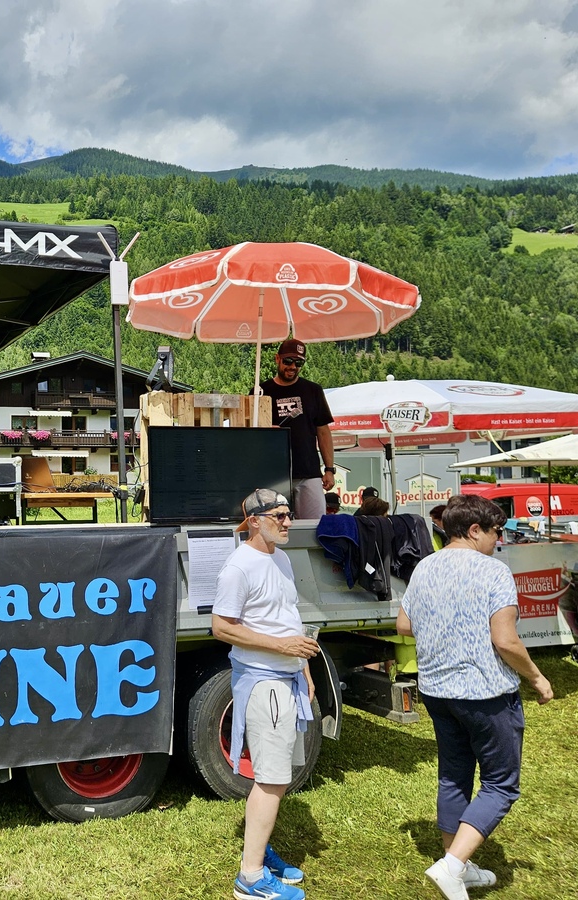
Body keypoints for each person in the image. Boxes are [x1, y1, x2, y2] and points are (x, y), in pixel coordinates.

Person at [396, 494, 554, 900]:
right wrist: (537, 677)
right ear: (474, 530)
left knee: (454, 775)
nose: (498, 540)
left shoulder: (424, 566)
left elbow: (404, 625)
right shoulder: (494, 571)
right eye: (496, 531)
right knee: (501, 784)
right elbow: (506, 640)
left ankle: (459, 865)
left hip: (436, 690)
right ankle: (451, 867)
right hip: (485, 693)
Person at [213, 489, 319, 900]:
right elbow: (221, 627)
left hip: (286, 676)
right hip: (263, 680)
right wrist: (283, 648)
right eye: (279, 515)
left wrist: (302, 666)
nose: (288, 521)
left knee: (277, 775)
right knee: (272, 780)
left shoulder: (281, 558)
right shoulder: (238, 567)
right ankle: (251, 877)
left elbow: (285, 617)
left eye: (289, 514)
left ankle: (258, 850)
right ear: (254, 521)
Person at [257, 339, 335, 521]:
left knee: (314, 527)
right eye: (288, 361)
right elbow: (250, 434)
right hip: (273, 474)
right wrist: (265, 431)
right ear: (277, 359)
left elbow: (323, 432)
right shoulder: (260, 391)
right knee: (273, 526)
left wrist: (329, 469)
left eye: (299, 362)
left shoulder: (313, 390)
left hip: (309, 471)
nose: (293, 366)